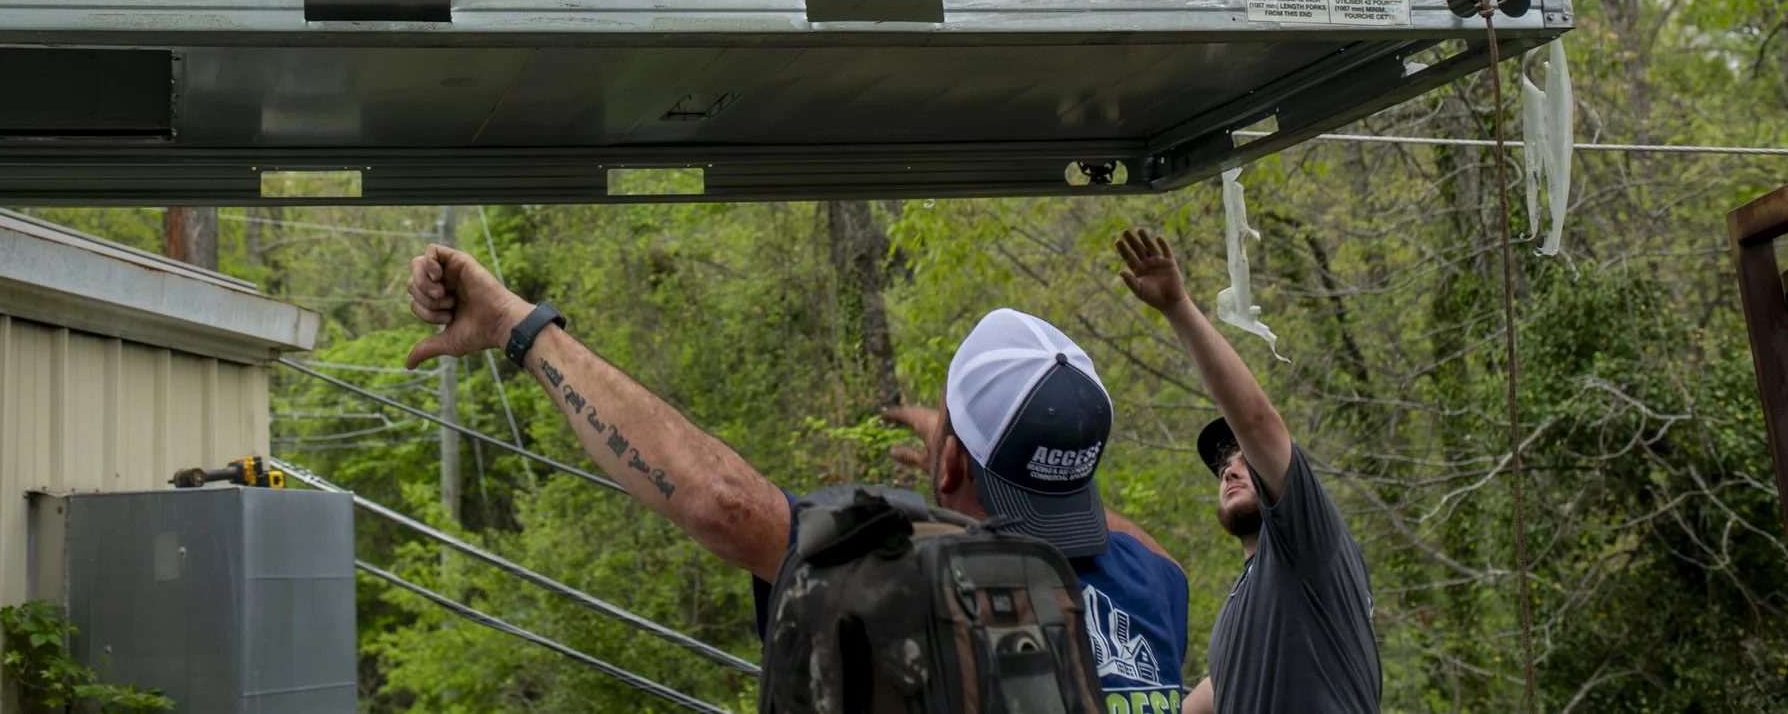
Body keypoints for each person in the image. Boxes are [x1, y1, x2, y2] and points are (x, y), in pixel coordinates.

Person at [404, 243, 1192, 711]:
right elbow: (1082, 513)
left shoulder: (914, 580)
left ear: (949, 462)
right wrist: (967, 463)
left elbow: (722, 501)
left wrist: (517, 324)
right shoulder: (1157, 579)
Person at [1112, 227, 1380, 714]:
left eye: (1244, 460)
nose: (1229, 471)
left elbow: (1256, 421)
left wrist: (1177, 307)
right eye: (1222, 466)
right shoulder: (1256, 600)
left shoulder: (1309, 543)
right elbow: (1218, 692)